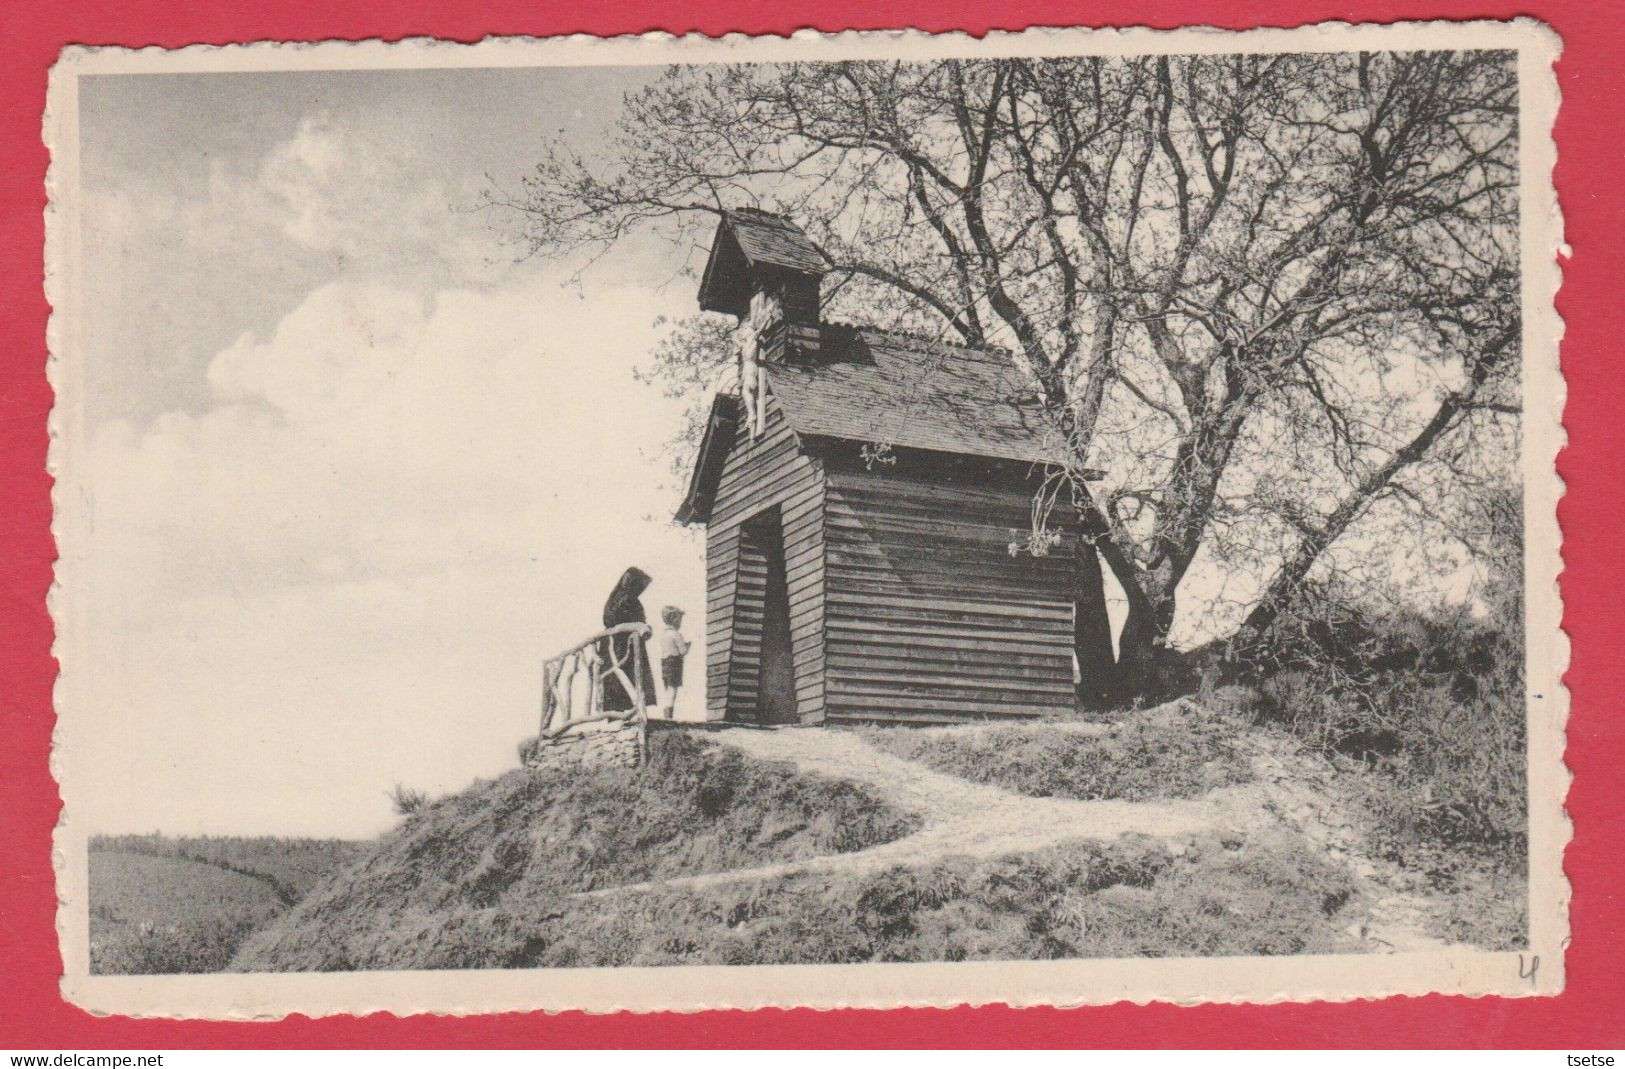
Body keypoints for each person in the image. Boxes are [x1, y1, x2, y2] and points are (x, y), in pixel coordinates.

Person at [599, 567, 657, 712]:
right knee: (624, 679)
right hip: (623, 646)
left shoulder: (614, 599)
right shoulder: (628, 600)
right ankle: (630, 716)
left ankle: (621, 716)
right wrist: (639, 626)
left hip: (615, 645)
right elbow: (621, 620)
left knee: (618, 682)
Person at [657, 605, 691, 719]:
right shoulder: (676, 634)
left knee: (668, 690)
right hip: (674, 663)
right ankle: (669, 716)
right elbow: (683, 651)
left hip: (665, 663)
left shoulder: (664, 635)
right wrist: (688, 645)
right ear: (675, 620)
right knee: (673, 691)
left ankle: (667, 714)